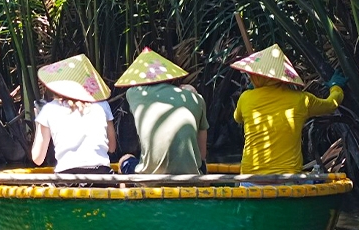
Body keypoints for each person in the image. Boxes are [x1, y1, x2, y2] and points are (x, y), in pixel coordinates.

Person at [231, 44, 346, 175]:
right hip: (289, 179)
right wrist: (335, 87)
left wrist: (252, 93)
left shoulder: (246, 98)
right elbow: (331, 104)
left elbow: (237, 118)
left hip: (249, 179)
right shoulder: (301, 99)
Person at [115, 47, 209, 175]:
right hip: (191, 175)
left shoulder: (133, 94)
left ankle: (129, 194)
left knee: (124, 160)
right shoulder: (196, 98)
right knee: (202, 164)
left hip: (149, 179)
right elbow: (202, 154)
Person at [31, 54, 115, 174]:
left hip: (67, 178)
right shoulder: (102, 105)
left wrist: (39, 123)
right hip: (101, 174)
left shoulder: (48, 110)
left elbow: (37, 159)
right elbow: (112, 147)